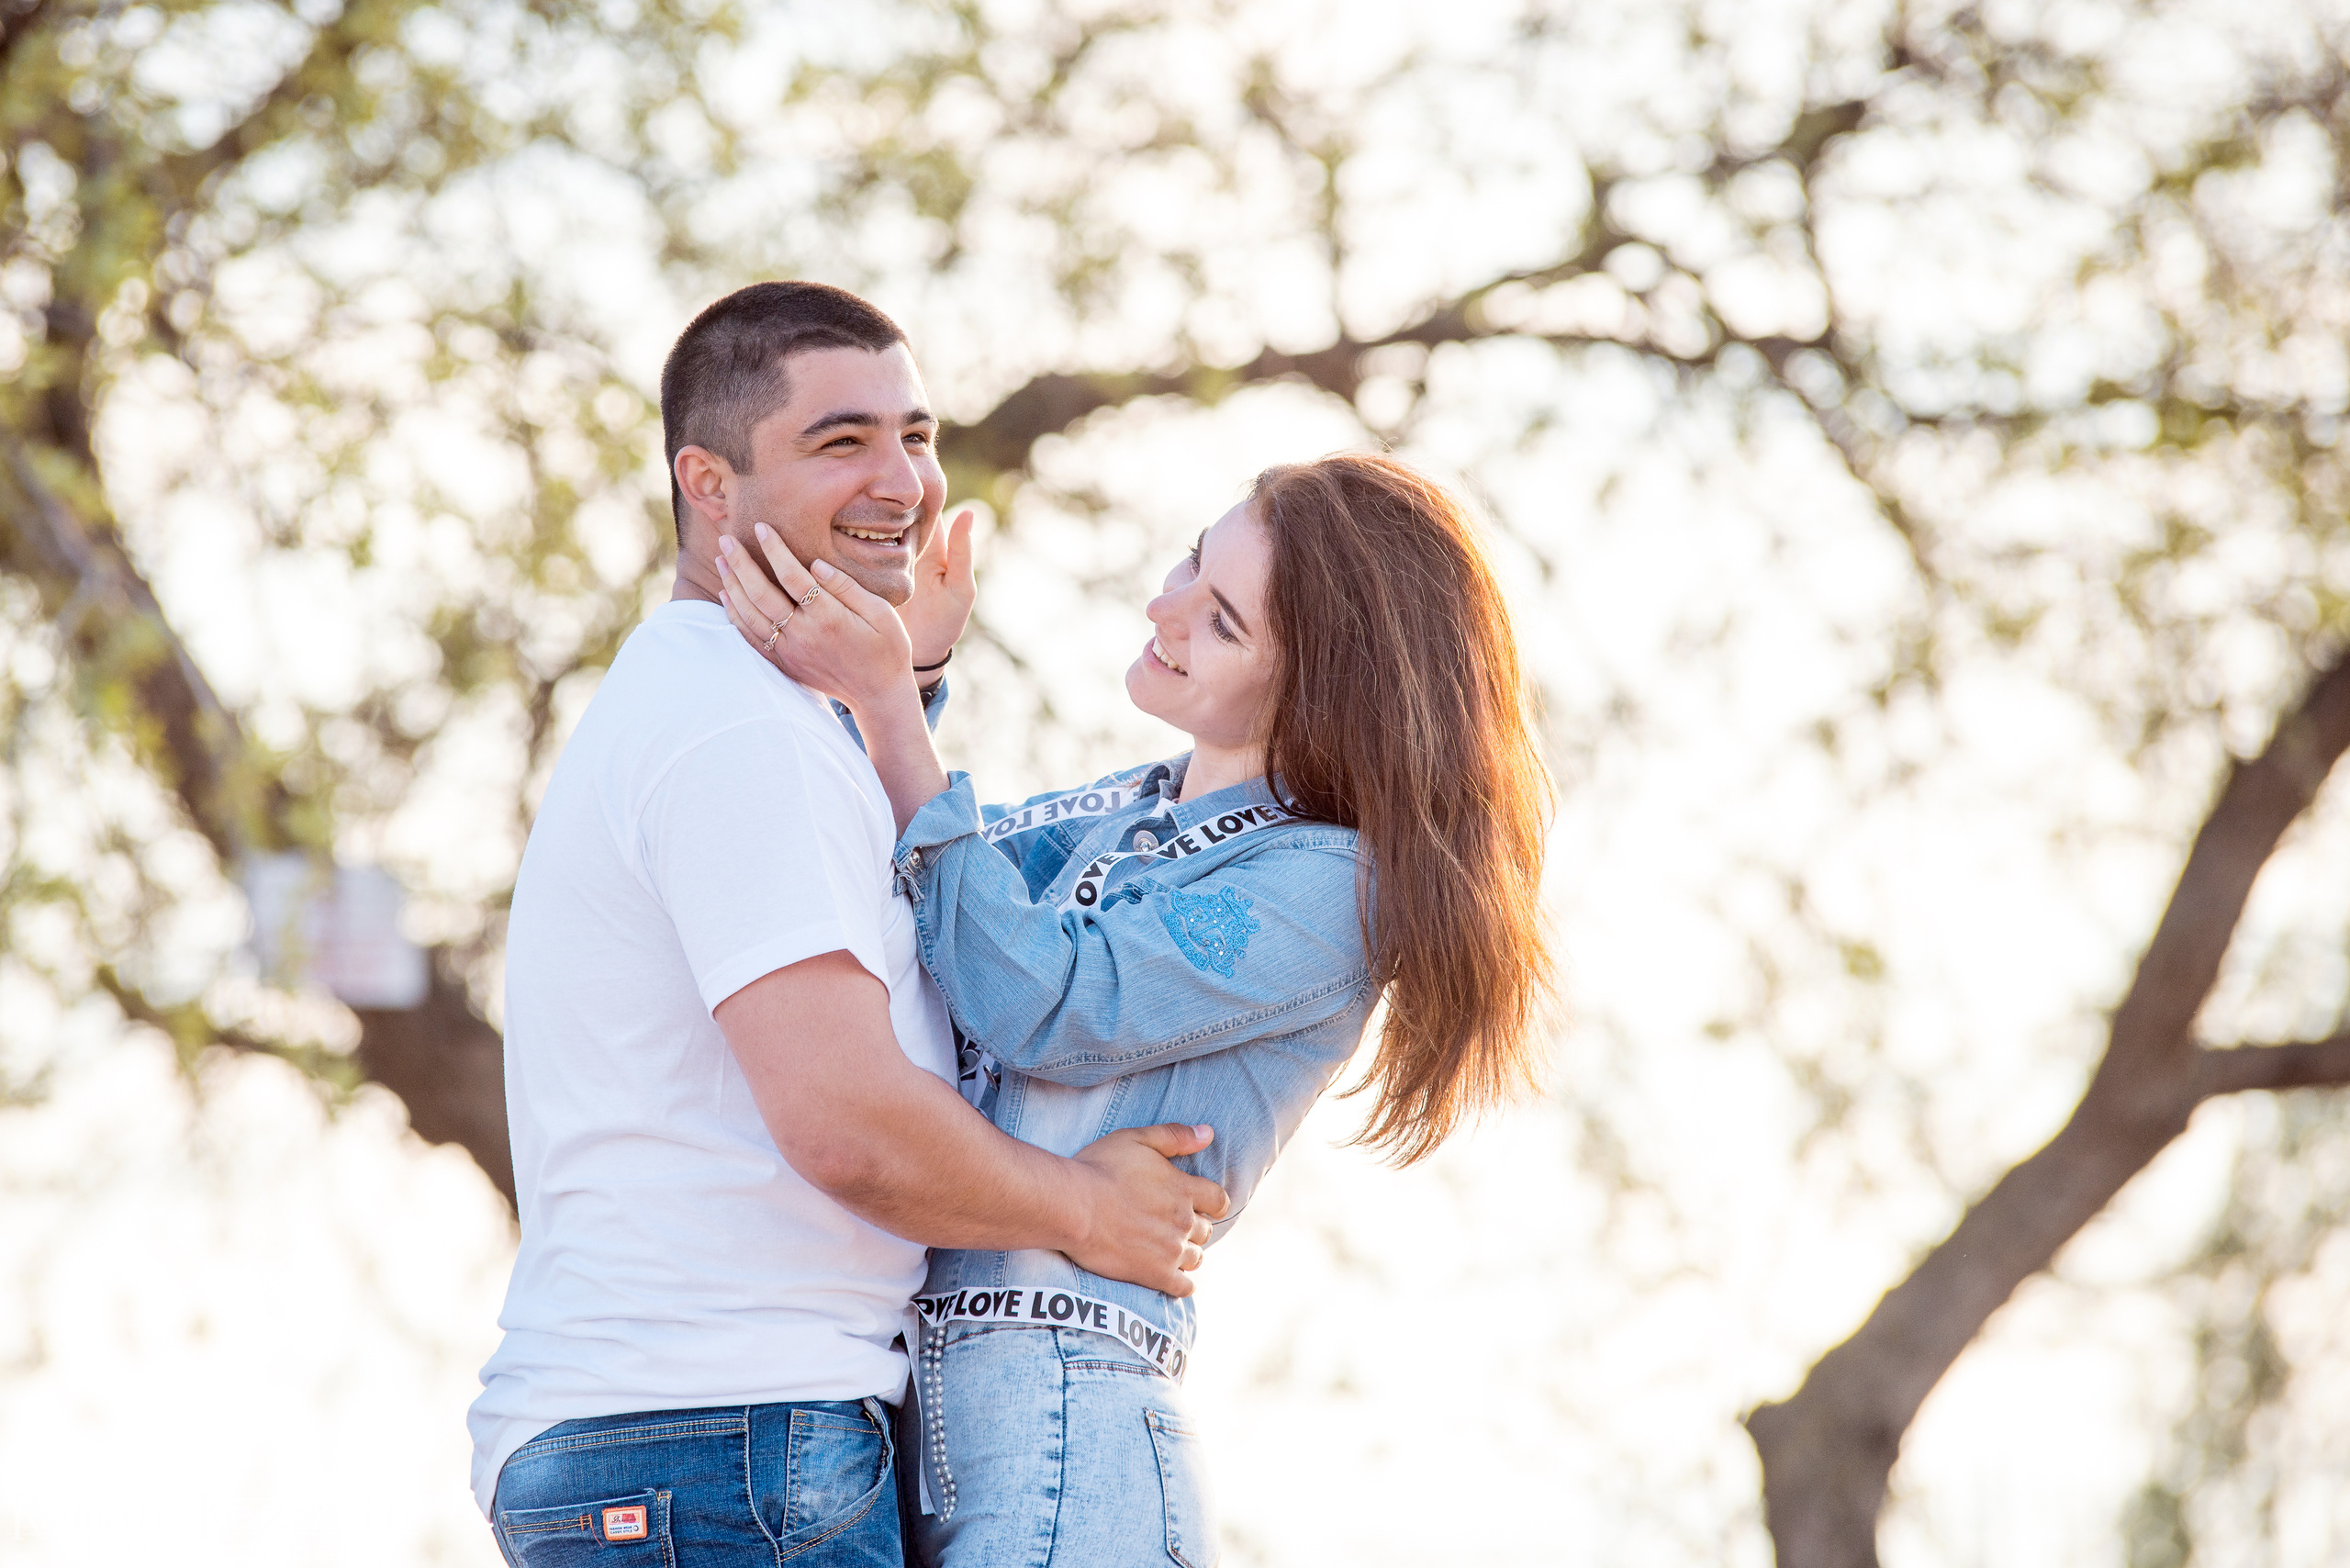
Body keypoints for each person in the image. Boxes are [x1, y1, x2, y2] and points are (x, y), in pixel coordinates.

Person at [470, 281, 1230, 1568]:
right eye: (841, 442)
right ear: (708, 486)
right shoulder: (735, 730)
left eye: (916, 436)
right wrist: (1090, 1215)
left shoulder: (759, 715)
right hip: (719, 1449)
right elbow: (847, 1122)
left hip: (705, 1448)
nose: (903, 482)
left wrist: (905, 692)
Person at [714, 449, 1555, 1566]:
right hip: (919, 1414)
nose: (1162, 608)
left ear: (1318, 691)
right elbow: (918, 894)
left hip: (1062, 1423)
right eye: (1188, 563)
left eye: (1220, 621)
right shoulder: (1133, 809)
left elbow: (1041, 1001)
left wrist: (886, 703)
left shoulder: (1332, 888)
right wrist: (912, 672)